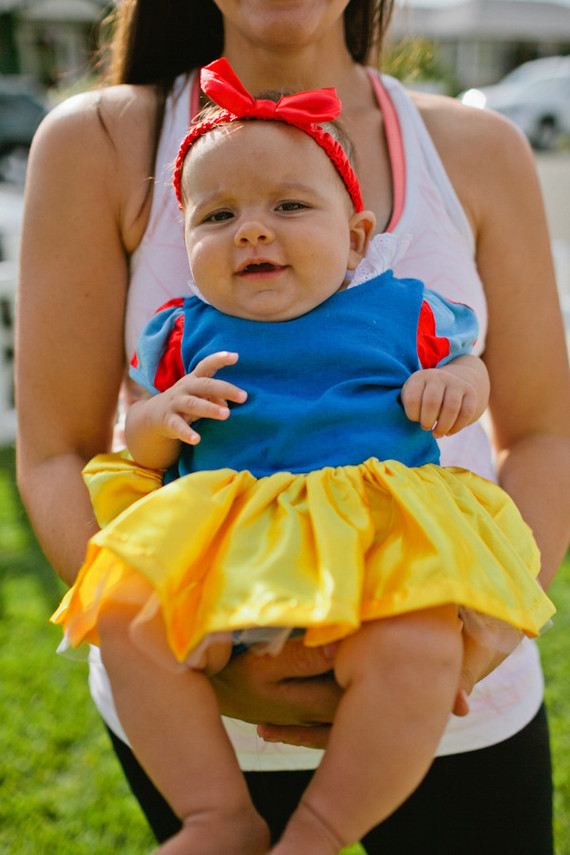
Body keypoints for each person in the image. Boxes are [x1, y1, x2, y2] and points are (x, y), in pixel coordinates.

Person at [15, 2, 570, 852]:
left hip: (452, 684)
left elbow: (542, 433)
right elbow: (58, 451)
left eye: (289, 207)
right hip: (202, 709)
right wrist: (217, 668)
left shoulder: (478, 150)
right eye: (217, 218)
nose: (255, 233)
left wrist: (465, 647)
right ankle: (218, 817)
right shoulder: (98, 143)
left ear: (357, 239)